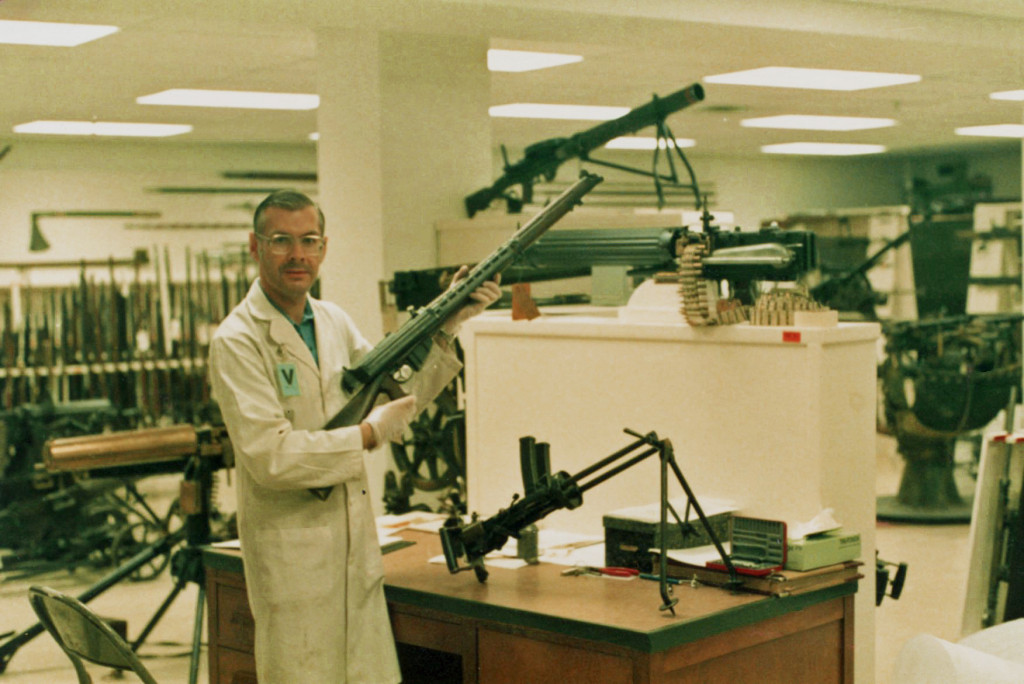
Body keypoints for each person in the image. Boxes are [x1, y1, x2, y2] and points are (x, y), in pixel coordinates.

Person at [208, 189, 500, 683]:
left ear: (324, 248)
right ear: (255, 248)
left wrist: (449, 323)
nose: (297, 255)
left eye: (309, 240)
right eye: (281, 241)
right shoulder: (237, 339)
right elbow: (269, 457)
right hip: (291, 561)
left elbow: (395, 392)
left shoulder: (333, 321)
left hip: (355, 552)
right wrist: (364, 437)